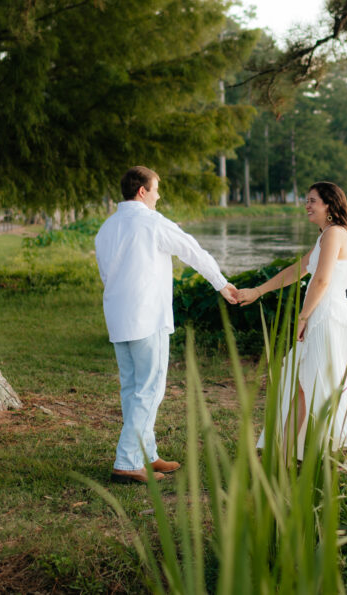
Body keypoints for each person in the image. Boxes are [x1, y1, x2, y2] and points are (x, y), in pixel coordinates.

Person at [95, 166, 238, 483]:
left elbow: (107, 273)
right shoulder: (152, 222)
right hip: (147, 318)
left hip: (119, 317)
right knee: (149, 390)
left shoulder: (107, 227)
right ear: (142, 191)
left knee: (133, 388)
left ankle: (146, 453)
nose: (159, 196)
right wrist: (221, 283)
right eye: (156, 190)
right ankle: (128, 461)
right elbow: (192, 250)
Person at [235, 181, 347, 461]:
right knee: (307, 384)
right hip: (324, 315)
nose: (306, 205)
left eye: (312, 201)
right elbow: (298, 270)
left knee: (320, 384)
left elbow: (321, 281)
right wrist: (258, 291)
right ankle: (284, 453)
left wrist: (303, 317)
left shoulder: (334, 233)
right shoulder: (325, 236)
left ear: (329, 206)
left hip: (327, 318)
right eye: (307, 200)